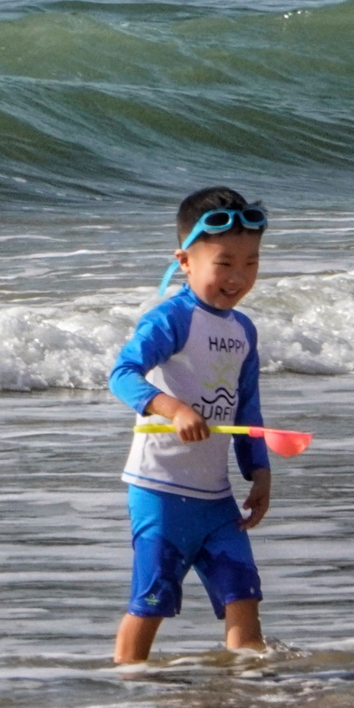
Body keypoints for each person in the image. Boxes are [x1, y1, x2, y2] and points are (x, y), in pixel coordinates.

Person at [108, 186, 276, 664]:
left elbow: (248, 408)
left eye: (252, 262)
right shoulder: (170, 320)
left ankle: (250, 689)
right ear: (185, 260)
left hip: (216, 497)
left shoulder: (243, 330)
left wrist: (259, 473)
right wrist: (173, 408)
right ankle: (128, 683)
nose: (238, 277)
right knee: (151, 600)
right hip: (159, 490)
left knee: (242, 594)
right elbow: (121, 375)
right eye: (224, 263)